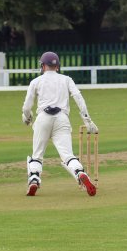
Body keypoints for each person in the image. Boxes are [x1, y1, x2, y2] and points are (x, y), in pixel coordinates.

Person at [22, 51, 99, 196]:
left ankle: (34, 179)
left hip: (43, 118)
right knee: (67, 155)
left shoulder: (36, 81)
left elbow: (27, 107)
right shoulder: (66, 79)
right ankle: (80, 173)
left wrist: (27, 117)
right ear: (57, 66)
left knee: (37, 155)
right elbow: (78, 97)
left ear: (43, 66)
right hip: (62, 118)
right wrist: (88, 121)